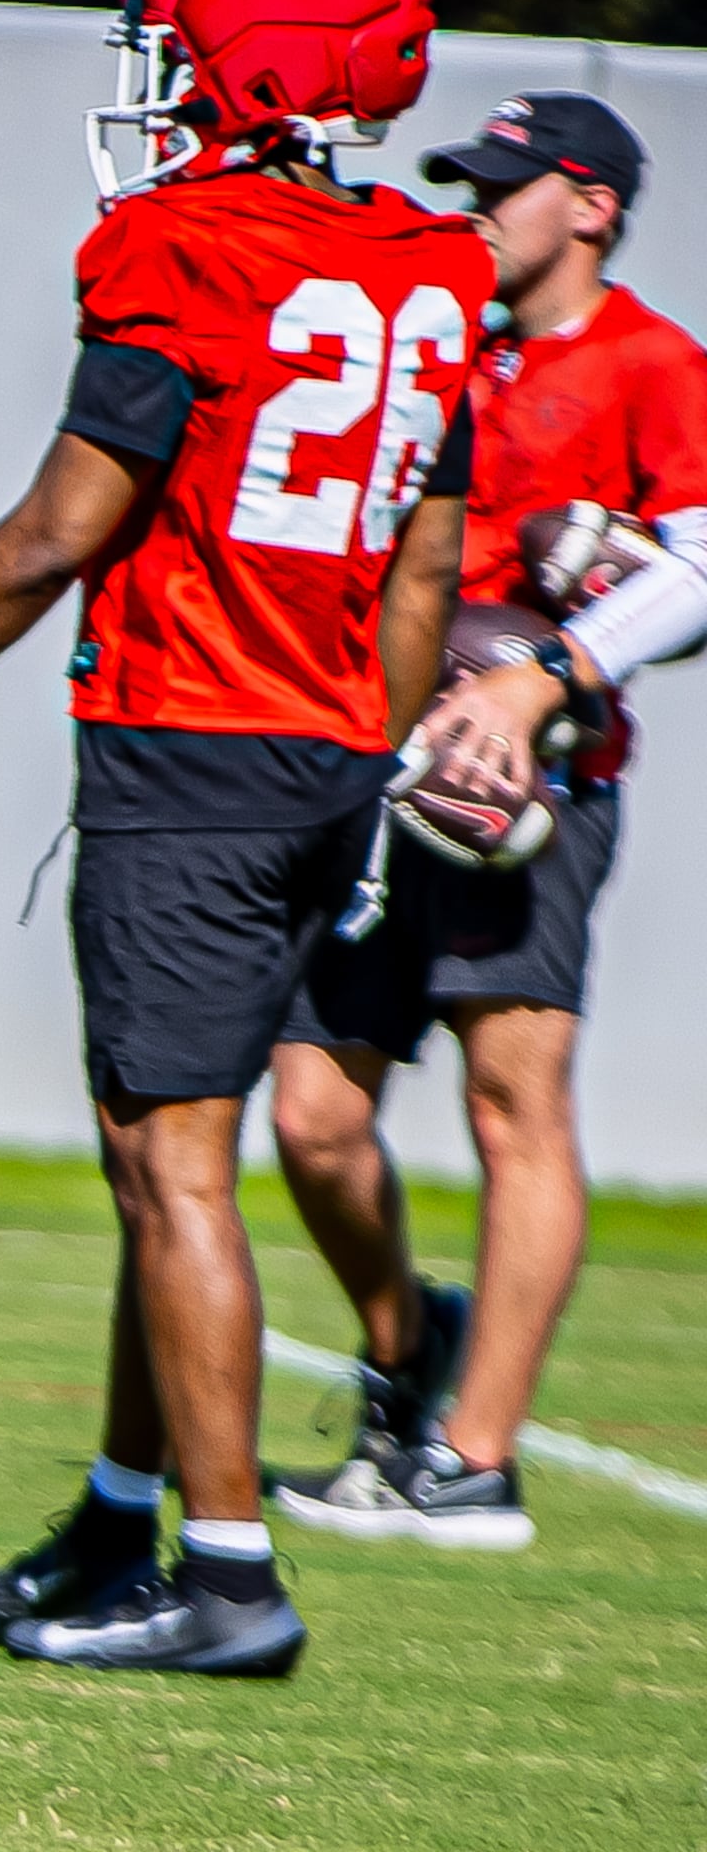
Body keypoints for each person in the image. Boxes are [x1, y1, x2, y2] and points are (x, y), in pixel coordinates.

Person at [0, 0, 490, 1677]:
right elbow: (425, 572)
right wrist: (368, 763)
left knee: (171, 1167)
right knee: (165, 1158)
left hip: (193, 746)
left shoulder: (181, 247)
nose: (156, 76)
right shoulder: (437, 270)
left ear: (244, 64)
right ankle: (120, 1526)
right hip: (325, 753)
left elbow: (62, 530)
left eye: (180, 46)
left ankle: (231, 1582)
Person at [268, 92, 707, 1549]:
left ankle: (473, 1460)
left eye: (504, 185)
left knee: (515, 1106)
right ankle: (411, 1345)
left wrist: (548, 673)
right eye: (467, 181)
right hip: (375, 775)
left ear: (591, 205)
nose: (475, 207)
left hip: (534, 793)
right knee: (314, 1115)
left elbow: (702, 566)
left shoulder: (653, 361)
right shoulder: (445, 341)